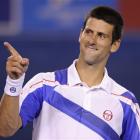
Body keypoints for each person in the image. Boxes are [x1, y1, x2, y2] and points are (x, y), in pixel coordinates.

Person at [0, 6, 140, 140]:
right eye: (89, 32)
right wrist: (14, 82)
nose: (92, 40)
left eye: (101, 36)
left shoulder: (126, 102)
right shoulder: (44, 84)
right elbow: (5, 129)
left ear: (115, 45)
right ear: (80, 34)